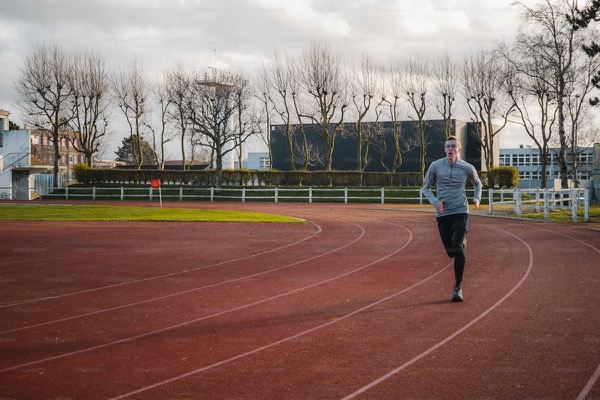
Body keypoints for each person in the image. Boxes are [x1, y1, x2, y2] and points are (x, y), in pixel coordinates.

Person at [422, 135, 482, 302]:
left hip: (461, 211)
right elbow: (425, 187)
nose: (450, 149)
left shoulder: (467, 167)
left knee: (458, 248)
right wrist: (435, 202)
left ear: (459, 150)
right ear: (445, 149)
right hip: (443, 213)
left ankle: (458, 286)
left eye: (453, 146)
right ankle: (461, 243)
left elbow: (477, 183)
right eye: (447, 146)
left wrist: (477, 198)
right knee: (451, 252)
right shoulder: (435, 166)